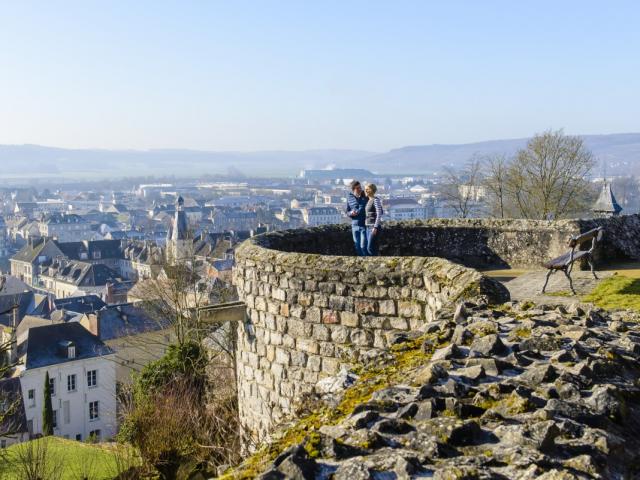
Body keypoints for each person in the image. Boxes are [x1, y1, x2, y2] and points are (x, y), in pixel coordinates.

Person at [345, 180, 368, 256]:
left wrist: (357, 211)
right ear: (353, 189)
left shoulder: (364, 197)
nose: (360, 189)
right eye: (358, 188)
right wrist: (351, 213)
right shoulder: (349, 198)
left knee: (363, 246)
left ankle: (367, 263)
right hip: (354, 225)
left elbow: (364, 209)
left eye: (360, 187)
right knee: (357, 247)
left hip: (363, 225)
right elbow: (347, 211)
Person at [364, 183, 383, 256]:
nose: (365, 190)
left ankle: (376, 263)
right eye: (365, 189)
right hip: (368, 227)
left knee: (370, 248)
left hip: (373, 227)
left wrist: (375, 227)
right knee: (372, 247)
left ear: (372, 190)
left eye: (367, 189)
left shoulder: (375, 200)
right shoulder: (369, 200)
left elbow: (379, 213)